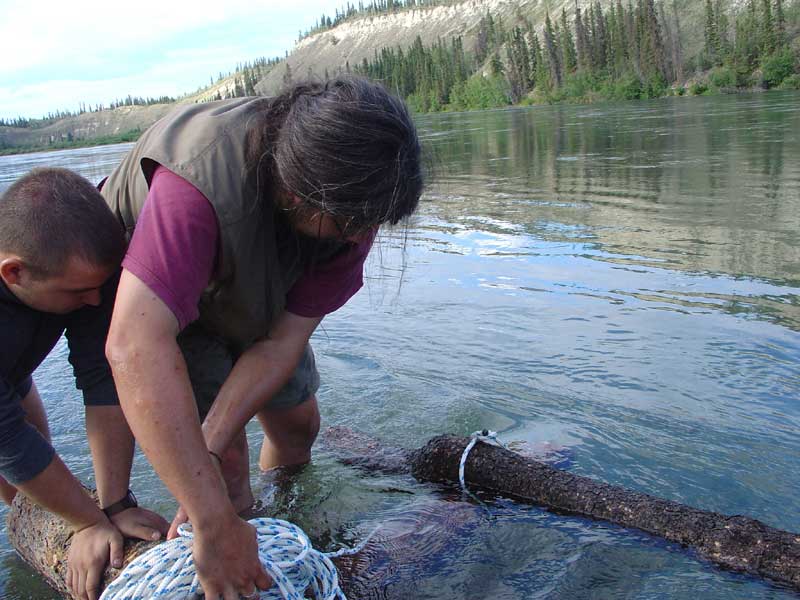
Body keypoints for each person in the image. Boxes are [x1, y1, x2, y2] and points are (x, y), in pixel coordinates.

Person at [101, 76, 423, 599]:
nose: (362, 237)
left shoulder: (354, 204)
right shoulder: (195, 185)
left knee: (298, 425)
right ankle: (231, 562)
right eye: (351, 223)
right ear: (298, 194)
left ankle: (285, 538)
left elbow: (278, 345)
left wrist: (209, 441)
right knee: (224, 479)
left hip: (265, 272)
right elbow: (133, 346)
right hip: (163, 295)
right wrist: (211, 517)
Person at [0, 168, 169, 600]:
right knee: (16, 472)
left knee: (30, 452)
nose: (94, 302)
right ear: (14, 273)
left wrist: (114, 505)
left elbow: (102, 376)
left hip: (13, 368)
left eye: (100, 287)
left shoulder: (83, 274)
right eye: (79, 292)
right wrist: (88, 522)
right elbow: (8, 439)